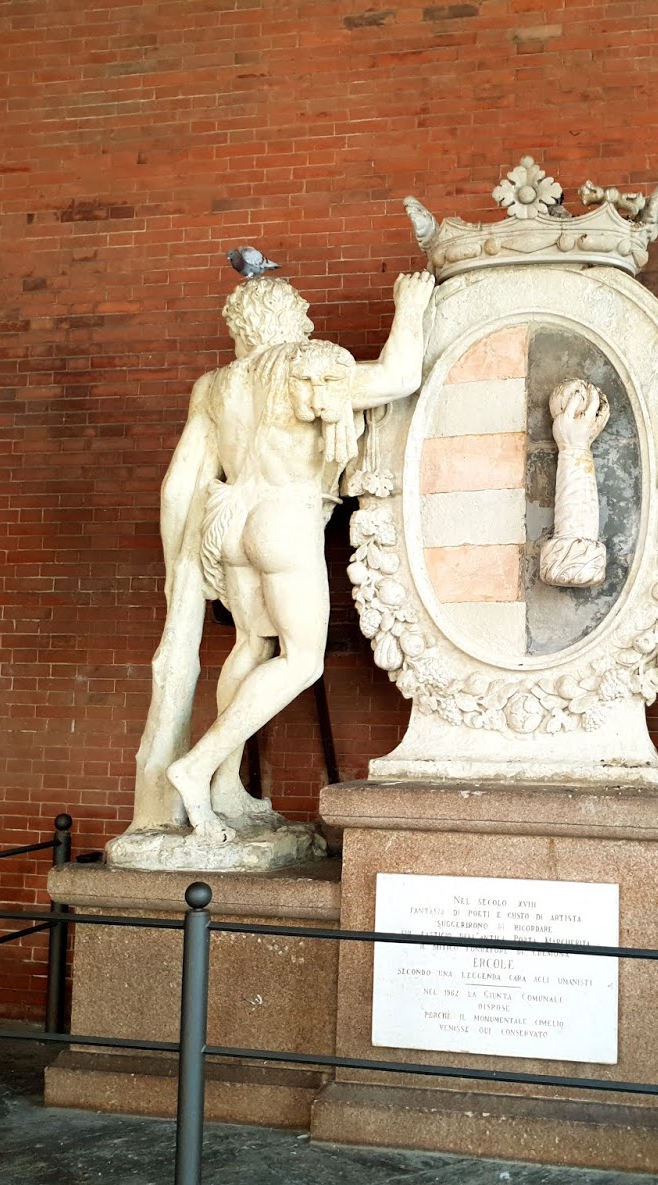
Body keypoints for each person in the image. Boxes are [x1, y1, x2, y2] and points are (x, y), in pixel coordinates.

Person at [130, 270, 435, 843]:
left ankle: (226, 786)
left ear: (243, 327)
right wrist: (410, 307)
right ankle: (197, 768)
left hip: (228, 518)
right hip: (282, 518)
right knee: (302, 661)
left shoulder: (214, 385)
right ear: (290, 317)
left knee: (251, 644)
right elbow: (399, 377)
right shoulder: (306, 363)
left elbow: (176, 487)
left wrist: (177, 569)